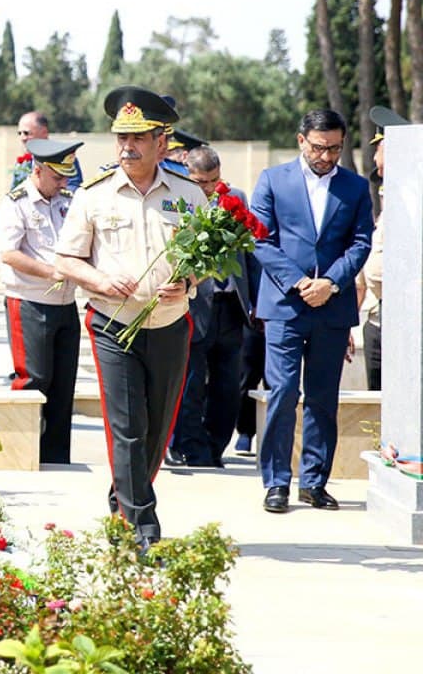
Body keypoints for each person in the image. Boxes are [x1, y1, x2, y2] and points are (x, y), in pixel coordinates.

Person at [54, 85, 205, 552]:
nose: (127, 147)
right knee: (128, 426)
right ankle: (142, 524)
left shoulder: (188, 194)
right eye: (121, 137)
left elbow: (204, 259)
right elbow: (66, 260)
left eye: (138, 138)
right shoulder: (93, 196)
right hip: (112, 324)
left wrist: (189, 282)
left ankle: (125, 493)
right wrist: (98, 280)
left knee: (157, 428)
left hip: (169, 324)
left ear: (162, 142)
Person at [250, 109, 373, 513]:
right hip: (286, 304)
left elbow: (359, 243)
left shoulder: (354, 187)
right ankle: (277, 482)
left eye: (335, 148)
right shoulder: (273, 179)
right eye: (320, 148)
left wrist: (331, 284)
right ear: (301, 140)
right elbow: (261, 239)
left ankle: (314, 481)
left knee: (323, 397)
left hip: (332, 307)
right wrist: (300, 283)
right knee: (284, 392)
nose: (326, 156)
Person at [167, 144, 259, 468]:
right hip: (193, 304)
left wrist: (255, 302)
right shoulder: (177, 202)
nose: (207, 188)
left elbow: (250, 254)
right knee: (191, 383)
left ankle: (216, 446)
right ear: (186, 175)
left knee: (228, 385)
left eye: (213, 180)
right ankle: (192, 450)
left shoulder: (236, 198)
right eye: (200, 181)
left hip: (231, 303)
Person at [0, 138, 83, 464]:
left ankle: (56, 456)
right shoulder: (15, 204)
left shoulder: (69, 200)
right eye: (58, 177)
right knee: (34, 379)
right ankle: (23, 454)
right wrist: (50, 272)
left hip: (66, 303)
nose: (64, 183)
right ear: (38, 169)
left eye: (66, 177)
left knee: (63, 384)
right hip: (30, 301)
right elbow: (9, 253)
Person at [354, 106, 403, 390]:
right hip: (376, 317)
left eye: (379, 150)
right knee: (378, 405)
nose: (374, 159)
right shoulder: (386, 208)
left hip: (402, 317)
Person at [13, 111, 84, 190]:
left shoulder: (62, 157)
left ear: (44, 132)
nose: (22, 138)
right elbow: (14, 190)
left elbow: (73, 189)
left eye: (26, 133)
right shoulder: (22, 162)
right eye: (19, 133)